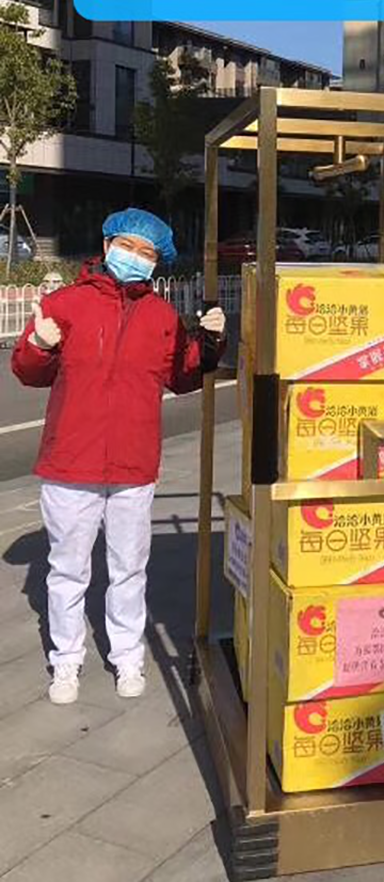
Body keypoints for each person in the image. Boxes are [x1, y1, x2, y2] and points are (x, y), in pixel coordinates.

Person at [12, 208, 226, 705]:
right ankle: (66, 660)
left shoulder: (161, 317)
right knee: (68, 570)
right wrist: (40, 345)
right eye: (128, 246)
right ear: (107, 245)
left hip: (133, 464)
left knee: (129, 568)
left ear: (157, 262)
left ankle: (127, 656)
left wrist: (211, 342)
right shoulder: (64, 304)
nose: (136, 257)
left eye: (147, 253)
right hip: (71, 462)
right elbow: (27, 371)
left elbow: (183, 375)